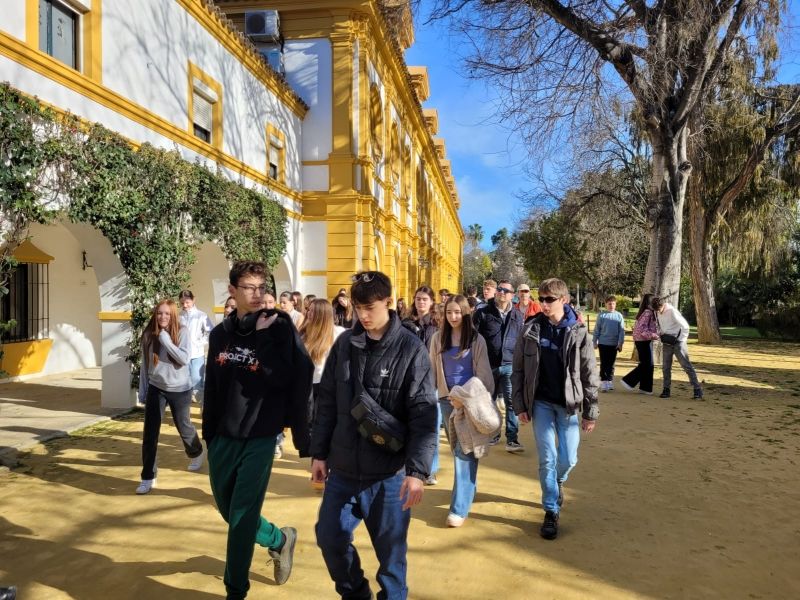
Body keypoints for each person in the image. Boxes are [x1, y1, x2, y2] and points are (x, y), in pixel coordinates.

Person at [311, 271, 438, 600]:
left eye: (370, 307)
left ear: (388, 302)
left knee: (391, 559)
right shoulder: (344, 345)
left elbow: (424, 415)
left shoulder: (411, 349)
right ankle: (356, 594)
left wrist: (417, 472)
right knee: (329, 538)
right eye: (358, 308)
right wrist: (319, 454)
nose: (363, 315)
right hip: (343, 470)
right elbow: (327, 402)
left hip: (388, 475)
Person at [203, 261, 313, 597]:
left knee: (241, 516)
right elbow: (212, 387)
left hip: (261, 434)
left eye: (261, 288)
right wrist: (209, 435)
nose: (256, 294)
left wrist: (264, 339)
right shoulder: (220, 334)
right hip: (223, 434)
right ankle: (279, 539)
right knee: (228, 510)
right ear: (232, 291)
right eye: (249, 287)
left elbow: (289, 377)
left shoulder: (278, 328)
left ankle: (235, 590)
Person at [511, 278, 599, 540]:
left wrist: (590, 412)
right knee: (548, 458)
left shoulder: (579, 332)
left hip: (568, 406)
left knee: (569, 459)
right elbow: (518, 370)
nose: (544, 303)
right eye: (541, 298)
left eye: (549, 299)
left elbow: (589, 374)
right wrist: (520, 405)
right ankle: (551, 510)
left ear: (564, 300)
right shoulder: (530, 329)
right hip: (541, 404)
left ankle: (558, 481)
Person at [428, 295, 497, 527]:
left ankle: (458, 509)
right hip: (446, 401)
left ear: (466, 313)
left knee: (463, 452)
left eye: (457, 312)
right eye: (449, 312)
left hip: (469, 403)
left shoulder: (476, 340)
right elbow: (431, 370)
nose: (453, 316)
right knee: (461, 449)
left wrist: (464, 397)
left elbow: (484, 375)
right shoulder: (437, 338)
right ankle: (468, 490)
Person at [136, 299, 204, 495]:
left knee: (183, 426)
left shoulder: (182, 332)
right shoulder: (149, 334)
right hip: (156, 387)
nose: (162, 317)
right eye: (159, 313)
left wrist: (165, 340)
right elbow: (145, 364)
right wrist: (143, 389)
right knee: (150, 433)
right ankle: (148, 476)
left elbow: (184, 358)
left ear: (173, 315)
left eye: (167, 313)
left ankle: (196, 451)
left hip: (180, 389)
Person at [473, 279, 524, 452]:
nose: (502, 292)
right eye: (500, 289)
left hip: (509, 365)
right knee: (489, 402)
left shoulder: (517, 315)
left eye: (506, 290)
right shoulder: (483, 313)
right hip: (488, 365)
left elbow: (521, 341)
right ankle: (493, 434)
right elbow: (473, 339)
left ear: (512, 295)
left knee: (511, 402)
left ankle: (512, 439)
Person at [299, 299, 345, 429]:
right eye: (309, 310)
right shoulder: (304, 333)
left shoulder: (339, 333)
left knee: (324, 420)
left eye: (314, 311)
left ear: (323, 314)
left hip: (328, 384)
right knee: (309, 420)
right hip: (308, 384)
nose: (309, 313)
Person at [651, 296, 703, 399]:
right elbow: (661, 325)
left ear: (663, 305)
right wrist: (661, 334)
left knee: (686, 366)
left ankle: (697, 389)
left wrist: (681, 340)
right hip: (667, 342)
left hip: (678, 343)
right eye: (656, 310)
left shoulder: (672, 311)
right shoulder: (657, 312)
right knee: (666, 367)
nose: (658, 311)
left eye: (659, 309)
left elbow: (685, 326)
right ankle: (666, 389)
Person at [178, 290, 214, 403]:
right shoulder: (179, 316)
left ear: (193, 300)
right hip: (182, 354)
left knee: (197, 382)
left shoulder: (201, 315)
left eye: (187, 302)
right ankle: (185, 409)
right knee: (183, 383)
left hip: (197, 354)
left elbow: (211, 332)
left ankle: (202, 408)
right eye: (182, 303)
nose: (185, 305)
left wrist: (200, 342)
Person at [621, 294, 659, 395]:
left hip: (643, 340)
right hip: (642, 340)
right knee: (646, 364)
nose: (657, 303)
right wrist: (655, 335)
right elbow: (642, 329)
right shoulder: (648, 312)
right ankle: (628, 381)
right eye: (655, 301)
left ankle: (645, 388)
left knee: (649, 364)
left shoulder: (649, 312)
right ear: (650, 302)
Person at [592, 295, 625, 392]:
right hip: (603, 343)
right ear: (606, 304)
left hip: (614, 344)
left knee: (611, 363)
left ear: (616, 304)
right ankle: (603, 381)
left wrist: (620, 343)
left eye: (613, 304)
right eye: (609, 304)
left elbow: (621, 331)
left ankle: (609, 380)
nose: (611, 306)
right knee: (604, 363)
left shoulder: (619, 316)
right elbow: (597, 329)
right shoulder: (601, 315)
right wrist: (595, 341)